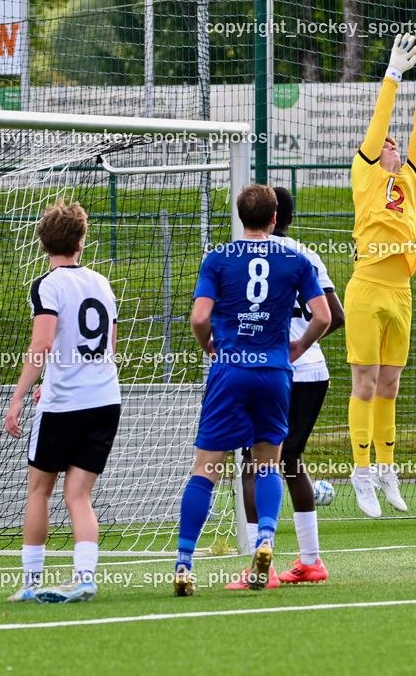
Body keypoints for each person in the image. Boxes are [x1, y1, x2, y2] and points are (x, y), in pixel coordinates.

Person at [173, 184, 331, 596]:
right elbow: (324, 316)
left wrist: (208, 344)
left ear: (240, 216)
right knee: (268, 464)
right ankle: (265, 542)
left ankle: (184, 563)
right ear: (275, 218)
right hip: (275, 372)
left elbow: (198, 317)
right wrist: (297, 346)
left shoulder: (218, 258)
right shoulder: (295, 258)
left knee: (206, 468)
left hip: (230, 370)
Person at [346, 33, 416, 517]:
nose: (390, 143)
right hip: (366, 287)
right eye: (384, 143)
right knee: (363, 383)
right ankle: (360, 471)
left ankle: (387, 468)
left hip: (400, 291)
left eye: (393, 144)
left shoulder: (410, 177)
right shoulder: (365, 175)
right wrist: (393, 75)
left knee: (390, 386)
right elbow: (380, 123)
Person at [225, 187, 344, 589]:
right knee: (289, 461)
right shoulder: (305, 254)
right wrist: (302, 345)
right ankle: (310, 560)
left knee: (254, 464)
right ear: (283, 217)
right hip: (313, 371)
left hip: (270, 371)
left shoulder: (241, 256)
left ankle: (264, 565)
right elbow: (334, 316)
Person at [4, 199, 122, 603]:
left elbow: (42, 343)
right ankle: (85, 577)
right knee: (79, 494)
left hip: (65, 404)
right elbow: (108, 345)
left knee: (39, 491)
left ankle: (31, 585)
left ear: (42, 243)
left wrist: (18, 397)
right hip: (105, 398)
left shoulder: (47, 285)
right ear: (81, 241)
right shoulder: (102, 283)